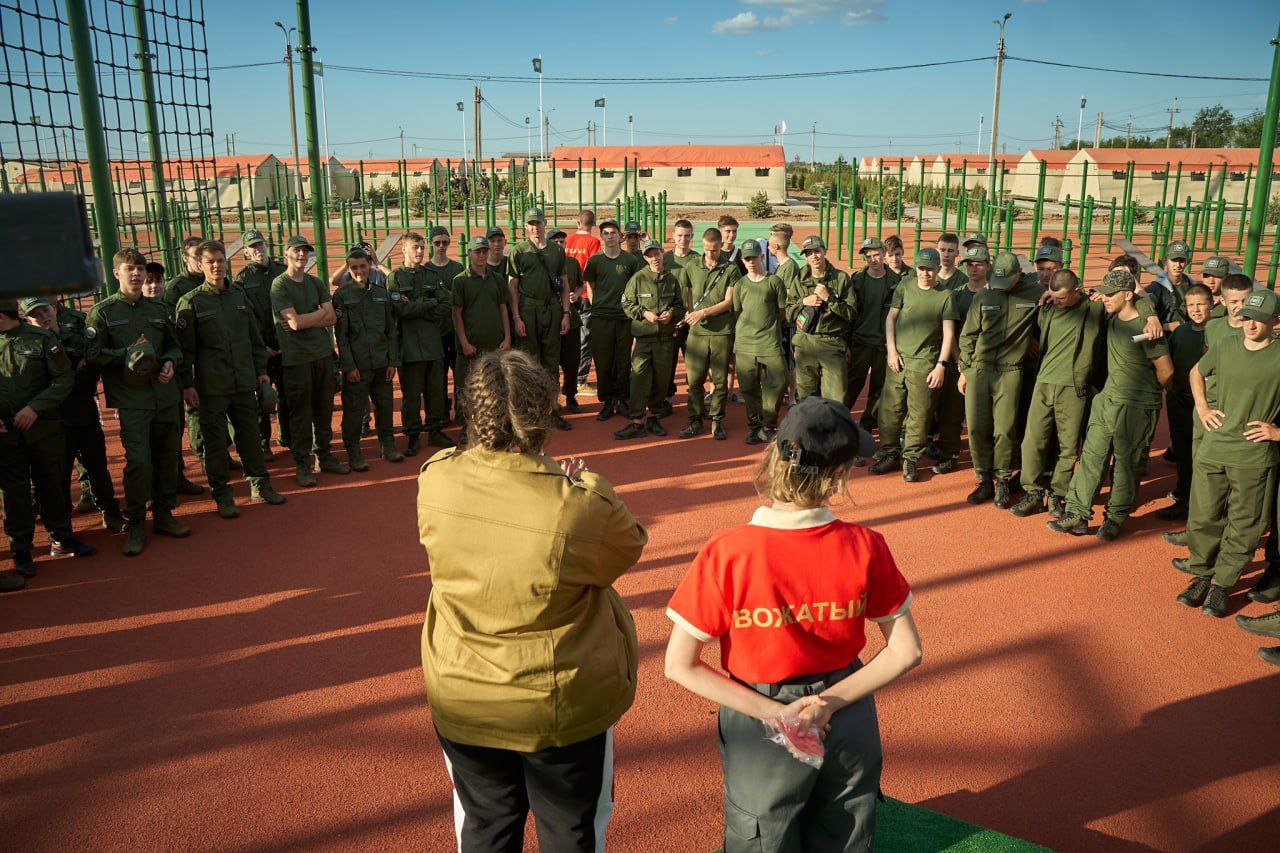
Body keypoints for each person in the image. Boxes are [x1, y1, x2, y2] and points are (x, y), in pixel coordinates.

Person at [664, 395, 921, 853]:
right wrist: (825, 704)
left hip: (760, 714)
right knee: (846, 828)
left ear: (775, 456)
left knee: (763, 834)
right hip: (845, 709)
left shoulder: (727, 552)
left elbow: (679, 665)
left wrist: (777, 713)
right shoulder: (866, 546)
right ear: (839, 476)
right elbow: (907, 650)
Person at [418, 349, 647, 852]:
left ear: (472, 414)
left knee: (487, 826)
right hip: (558, 705)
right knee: (569, 831)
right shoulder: (576, 505)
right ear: (541, 414)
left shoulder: (433, 479)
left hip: (464, 696)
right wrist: (581, 483)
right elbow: (627, 545)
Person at [1011, 271, 1158, 519]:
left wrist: (1151, 316)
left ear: (1076, 291)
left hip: (1074, 388)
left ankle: (1057, 494)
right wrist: (1048, 295)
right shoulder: (1047, 307)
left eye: (1062, 297)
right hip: (1044, 384)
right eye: (1054, 296)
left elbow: (1135, 296)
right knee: (1033, 441)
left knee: (1068, 448)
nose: (1056, 301)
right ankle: (1034, 492)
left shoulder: (1094, 308)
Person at [1176, 289, 1280, 617]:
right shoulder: (1226, 344)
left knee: (1245, 522)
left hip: (1254, 455)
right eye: (1247, 316)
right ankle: (1201, 575)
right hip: (1215, 448)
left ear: (1275, 321)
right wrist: (1204, 406)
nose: (1250, 324)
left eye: (1259, 319)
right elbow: (1196, 372)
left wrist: (1278, 432)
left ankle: (1222, 583)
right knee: (1203, 516)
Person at [1050, 269, 1174, 541]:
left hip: (1136, 405)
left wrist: (1147, 391)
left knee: (1127, 464)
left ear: (1127, 295)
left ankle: (1115, 517)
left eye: (1110, 294)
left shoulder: (1146, 328)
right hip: (1107, 400)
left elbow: (1165, 371)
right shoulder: (1113, 316)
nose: (1104, 298)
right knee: (1092, 457)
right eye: (1103, 293)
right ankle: (1077, 513)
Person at [86, 249, 190, 556]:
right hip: (133, 400)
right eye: (130, 269)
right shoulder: (103, 313)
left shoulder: (159, 309)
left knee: (167, 456)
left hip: (165, 397)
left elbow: (174, 346)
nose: (136, 274)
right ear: (116, 273)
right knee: (139, 463)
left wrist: (170, 361)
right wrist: (127, 355)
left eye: (140, 270)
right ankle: (135, 524)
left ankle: (163, 515)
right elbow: (92, 355)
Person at [175, 240, 286, 518]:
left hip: (243, 381)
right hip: (211, 387)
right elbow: (184, 350)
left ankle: (260, 485)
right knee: (215, 444)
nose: (216, 266)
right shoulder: (191, 303)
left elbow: (254, 337)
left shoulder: (238, 296)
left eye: (221, 260)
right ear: (200, 265)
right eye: (210, 261)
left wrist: (261, 370)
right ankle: (223, 495)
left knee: (250, 436)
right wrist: (187, 384)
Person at [0, 296, 95, 587]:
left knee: (51, 482)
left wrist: (35, 408)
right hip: (5, 433)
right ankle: (21, 550)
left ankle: (62, 536)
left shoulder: (40, 339)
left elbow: (63, 379)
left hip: (43, 427)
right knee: (14, 492)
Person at [21, 295, 124, 534]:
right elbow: (35, 383)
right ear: (27, 319)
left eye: (46, 310)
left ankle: (110, 512)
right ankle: (62, 526)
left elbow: (93, 366)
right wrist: (73, 373)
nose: (43, 317)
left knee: (97, 466)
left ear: (55, 309)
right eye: (35, 315)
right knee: (59, 474)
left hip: (82, 410)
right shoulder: (30, 345)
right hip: (53, 419)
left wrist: (68, 377)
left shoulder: (78, 333)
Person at [956, 252, 1045, 507]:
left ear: (1019, 274)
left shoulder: (1034, 292)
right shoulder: (984, 295)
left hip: (1010, 370)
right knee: (976, 427)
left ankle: (1003, 480)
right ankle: (984, 478)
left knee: (1004, 429)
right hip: (980, 369)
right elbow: (968, 336)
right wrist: (965, 370)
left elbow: (1071, 292)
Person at [271, 234, 350, 486]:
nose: (302, 255)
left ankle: (324, 456)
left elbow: (332, 319)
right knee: (301, 413)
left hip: (322, 355)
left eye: (305, 251)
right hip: (297, 359)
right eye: (297, 251)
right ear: (287, 255)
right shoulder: (279, 285)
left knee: (324, 408)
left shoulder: (315, 282)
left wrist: (307, 319)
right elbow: (294, 323)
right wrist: (317, 315)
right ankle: (303, 463)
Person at [872, 249, 957, 481]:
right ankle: (889, 453)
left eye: (930, 268)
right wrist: (891, 350)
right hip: (898, 358)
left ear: (938, 269)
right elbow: (891, 318)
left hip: (925, 363)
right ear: (916, 267)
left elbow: (949, 334)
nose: (925, 273)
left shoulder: (945, 296)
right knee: (890, 409)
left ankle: (910, 458)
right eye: (921, 268)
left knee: (920, 414)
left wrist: (941, 364)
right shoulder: (905, 286)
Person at [333, 247, 404, 470]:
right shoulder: (342, 296)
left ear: (370, 266)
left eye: (363, 266)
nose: (359, 271)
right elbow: (341, 337)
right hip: (358, 367)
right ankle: (354, 453)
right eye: (354, 267)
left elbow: (391, 331)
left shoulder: (381, 293)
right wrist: (349, 366)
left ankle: (388, 445)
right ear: (348, 269)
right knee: (354, 412)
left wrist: (393, 361)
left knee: (384, 407)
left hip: (382, 364)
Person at [508, 207, 573, 430]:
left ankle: (553, 409)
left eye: (538, 223)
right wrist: (516, 317)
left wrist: (566, 313)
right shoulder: (519, 251)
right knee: (529, 362)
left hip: (551, 308)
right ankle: (533, 412)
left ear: (545, 223)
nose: (535, 227)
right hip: (528, 309)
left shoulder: (556, 250)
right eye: (531, 224)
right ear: (526, 226)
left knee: (552, 361)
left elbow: (564, 284)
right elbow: (513, 287)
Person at [391, 231, 455, 454]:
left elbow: (446, 302)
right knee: (411, 394)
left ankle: (435, 430)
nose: (419, 252)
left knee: (436, 390)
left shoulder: (430, 274)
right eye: (414, 248)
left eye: (421, 248)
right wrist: (428, 304)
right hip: (409, 347)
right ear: (404, 250)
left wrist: (419, 307)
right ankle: (412, 435)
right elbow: (399, 309)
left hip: (432, 344)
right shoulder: (396, 277)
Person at [616, 239, 684, 439]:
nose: (655, 258)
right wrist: (644, 313)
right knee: (638, 377)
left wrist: (671, 313)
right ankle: (637, 421)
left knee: (661, 380)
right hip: (644, 338)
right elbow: (626, 303)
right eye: (650, 255)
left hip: (665, 339)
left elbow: (680, 306)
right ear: (645, 257)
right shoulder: (638, 278)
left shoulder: (671, 279)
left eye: (657, 253)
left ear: (663, 253)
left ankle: (654, 417)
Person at [1156, 284, 1213, 522]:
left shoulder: (1217, 331)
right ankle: (1184, 493)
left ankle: (1194, 503)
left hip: (1205, 406)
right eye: (1191, 305)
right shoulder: (1181, 332)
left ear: (1211, 304)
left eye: (1201, 304)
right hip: (1179, 400)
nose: (1196, 309)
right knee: (1181, 449)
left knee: (1199, 455)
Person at [679, 227, 740, 440]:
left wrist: (703, 312)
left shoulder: (731, 269)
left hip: (721, 332)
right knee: (694, 380)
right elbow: (685, 290)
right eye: (706, 250)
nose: (710, 255)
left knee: (720, 380)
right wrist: (690, 311)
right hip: (697, 332)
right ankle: (695, 420)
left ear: (720, 246)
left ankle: (717, 420)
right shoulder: (692, 265)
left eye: (714, 250)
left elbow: (729, 301)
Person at [933, 245, 988, 474]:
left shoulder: (995, 294)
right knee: (951, 411)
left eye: (979, 265)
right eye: (969, 265)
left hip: (985, 363)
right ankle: (949, 453)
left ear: (988, 266)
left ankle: (983, 461)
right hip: (960, 362)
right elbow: (950, 332)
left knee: (983, 416)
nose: (973, 269)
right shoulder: (957, 295)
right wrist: (959, 361)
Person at [452, 236, 513, 445]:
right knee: (467, 387)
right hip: (471, 347)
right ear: (469, 254)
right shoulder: (460, 280)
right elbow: (457, 314)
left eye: (484, 251)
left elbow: (503, 308)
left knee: (495, 386)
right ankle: (467, 426)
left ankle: (494, 425)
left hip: (494, 345)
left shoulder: (497, 279)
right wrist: (464, 342)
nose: (481, 255)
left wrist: (507, 337)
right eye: (477, 251)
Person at [233, 230, 289, 456]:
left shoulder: (282, 271)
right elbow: (244, 318)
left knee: (288, 393)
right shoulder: (242, 279)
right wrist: (259, 347)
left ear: (266, 245)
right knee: (262, 398)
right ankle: (263, 442)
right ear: (246, 251)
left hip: (284, 343)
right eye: (252, 247)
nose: (257, 249)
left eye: (260, 244)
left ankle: (287, 436)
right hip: (261, 347)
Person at [164, 235, 210, 496]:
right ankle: (202, 456)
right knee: (194, 410)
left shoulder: (211, 282)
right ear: (186, 258)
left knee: (214, 407)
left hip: (212, 356)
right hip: (188, 355)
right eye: (196, 257)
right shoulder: (177, 288)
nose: (202, 263)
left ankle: (218, 454)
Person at [584, 220, 643, 421]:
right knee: (603, 361)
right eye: (606, 233)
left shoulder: (630, 261)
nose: (610, 236)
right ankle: (607, 401)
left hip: (624, 318)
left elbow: (634, 287)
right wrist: (596, 305)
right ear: (602, 236)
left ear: (620, 236)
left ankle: (622, 399)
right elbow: (590, 285)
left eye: (613, 233)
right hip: (601, 318)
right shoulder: (594, 261)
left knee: (623, 360)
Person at [786, 236, 855, 405]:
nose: (814, 256)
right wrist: (803, 302)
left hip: (831, 342)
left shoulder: (841, 279)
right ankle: (810, 431)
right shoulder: (799, 280)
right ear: (805, 256)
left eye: (817, 251)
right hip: (805, 343)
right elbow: (788, 314)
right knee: (807, 398)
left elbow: (851, 314)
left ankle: (831, 431)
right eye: (809, 253)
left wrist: (830, 299)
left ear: (825, 251)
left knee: (835, 398)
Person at [733, 239, 789, 445]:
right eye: (747, 258)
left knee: (779, 380)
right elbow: (738, 311)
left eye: (754, 257)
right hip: (745, 344)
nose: (751, 262)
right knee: (748, 388)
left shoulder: (774, 282)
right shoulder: (740, 284)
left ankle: (769, 423)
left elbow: (782, 311)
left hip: (769, 342)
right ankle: (755, 427)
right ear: (743, 260)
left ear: (762, 257)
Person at [844, 238, 898, 434]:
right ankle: (840, 420)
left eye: (876, 255)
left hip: (884, 345)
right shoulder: (857, 281)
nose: (873, 260)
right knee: (851, 385)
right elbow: (849, 316)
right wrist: (847, 344)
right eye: (868, 257)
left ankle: (867, 425)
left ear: (884, 253)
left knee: (879, 389)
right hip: (860, 342)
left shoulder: (896, 282)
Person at [425, 227, 464, 424]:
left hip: (455, 331)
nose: (441, 246)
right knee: (437, 378)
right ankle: (441, 412)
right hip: (434, 333)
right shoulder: (425, 269)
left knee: (460, 375)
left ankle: (461, 412)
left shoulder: (457, 269)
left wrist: (445, 297)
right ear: (430, 243)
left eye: (445, 242)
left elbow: (460, 300)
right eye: (437, 243)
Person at [664, 218, 701, 404]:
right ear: (673, 236)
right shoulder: (665, 259)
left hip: (692, 318)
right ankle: (668, 394)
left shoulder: (697, 259)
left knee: (694, 360)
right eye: (679, 235)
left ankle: (694, 394)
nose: (683, 239)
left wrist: (691, 313)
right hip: (671, 318)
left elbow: (699, 289)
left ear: (692, 237)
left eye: (687, 236)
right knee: (669, 359)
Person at [550, 228, 586, 413]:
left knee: (572, 361)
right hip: (550, 320)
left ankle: (571, 395)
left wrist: (576, 294)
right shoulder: (545, 262)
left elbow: (581, 285)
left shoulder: (572, 263)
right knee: (551, 362)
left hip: (571, 318)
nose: (559, 245)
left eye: (562, 242)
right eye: (555, 242)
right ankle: (553, 400)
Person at [565, 211, 602, 393]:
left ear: (577, 222)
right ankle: (580, 379)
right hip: (586, 295)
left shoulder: (568, 240)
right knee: (586, 336)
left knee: (570, 335)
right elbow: (592, 269)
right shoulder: (594, 242)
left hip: (568, 294)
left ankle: (571, 377)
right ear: (593, 224)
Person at [1146, 240, 1194, 331]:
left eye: (1182, 260)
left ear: (1188, 262)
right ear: (1165, 261)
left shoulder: (1193, 286)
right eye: (1174, 260)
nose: (1178, 265)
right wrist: (1166, 327)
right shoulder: (1155, 288)